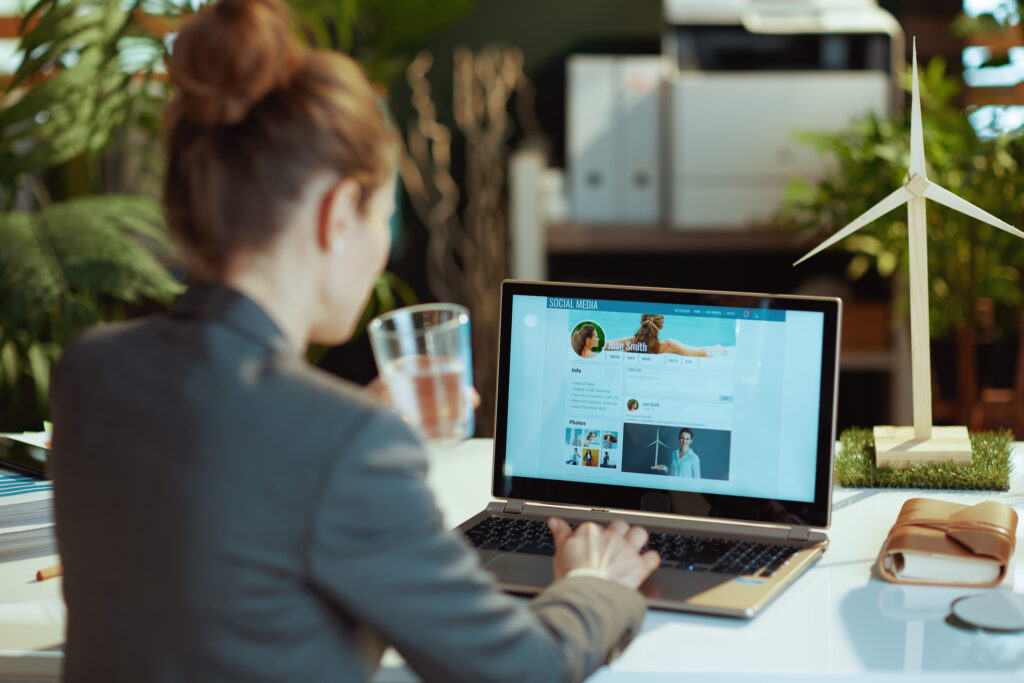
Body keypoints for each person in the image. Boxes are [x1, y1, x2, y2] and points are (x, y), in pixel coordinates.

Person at [48, 2, 660, 681]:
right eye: (384, 217)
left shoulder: (92, 370)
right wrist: (595, 582)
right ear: (340, 213)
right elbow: (522, 668)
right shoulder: (348, 445)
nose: (382, 250)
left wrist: (351, 425)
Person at [608, 314, 726, 357]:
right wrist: (717, 348)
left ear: (641, 324)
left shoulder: (630, 342)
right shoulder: (668, 345)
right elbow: (700, 352)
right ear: (661, 327)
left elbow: (604, 345)